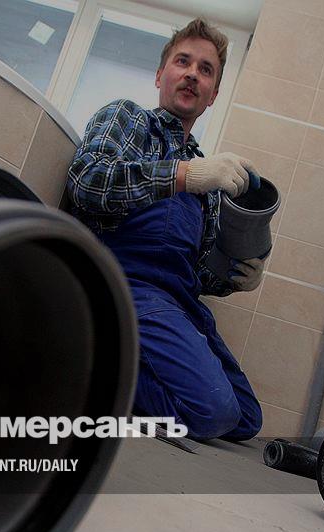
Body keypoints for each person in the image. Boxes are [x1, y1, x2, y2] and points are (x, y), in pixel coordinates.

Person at [66, 18, 263, 440]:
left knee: (246, 419)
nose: (192, 74)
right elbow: (88, 181)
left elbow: (194, 270)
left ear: (213, 95)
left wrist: (237, 277)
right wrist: (184, 175)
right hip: (122, 284)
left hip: (176, 302)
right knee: (212, 413)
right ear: (160, 75)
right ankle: (86, 357)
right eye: (182, 62)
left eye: (205, 70)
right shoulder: (129, 119)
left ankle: (111, 355)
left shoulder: (208, 175)